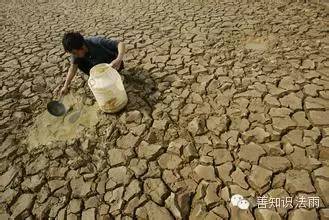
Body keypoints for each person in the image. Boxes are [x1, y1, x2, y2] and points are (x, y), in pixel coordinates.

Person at [59, 32, 125, 96]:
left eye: (75, 53)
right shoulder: (76, 53)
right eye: (73, 53)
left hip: (114, 66)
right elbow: (73, 69)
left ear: (81, 46)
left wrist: (118, 59)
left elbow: (120, 44)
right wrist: (65, 86)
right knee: (77, 62)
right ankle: (99, 79)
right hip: (98, 73)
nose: (74, 55)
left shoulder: (97, 42)